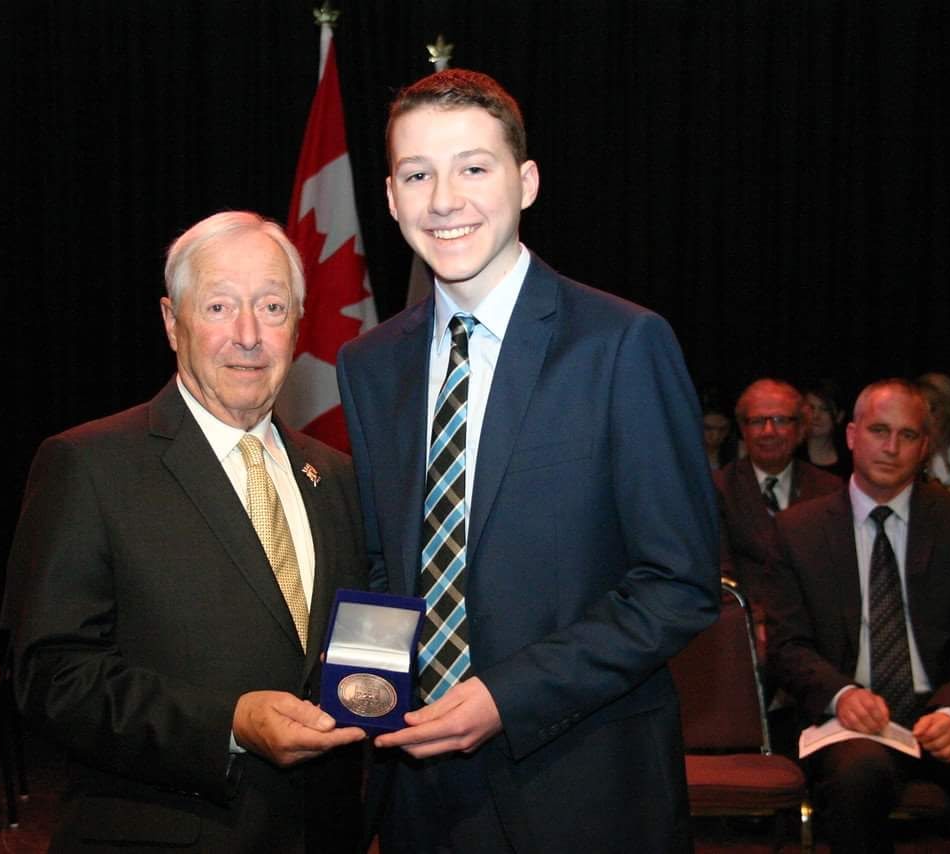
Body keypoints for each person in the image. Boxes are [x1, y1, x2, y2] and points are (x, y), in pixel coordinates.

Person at [335, 69, 720, 853]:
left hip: (581, 787)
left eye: (473, 167)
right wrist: (366, 700)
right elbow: (383, 567)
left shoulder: (620, 343)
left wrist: (505, 698)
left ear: (527, 181)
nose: (444, 199)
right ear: (389, 196)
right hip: (416, 793)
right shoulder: (369, 364)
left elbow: (677, 585)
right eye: (418, 174)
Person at [6, 212, 368, 852]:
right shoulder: (89, 464)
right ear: (173, 323)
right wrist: (228, 723)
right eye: (221, 306)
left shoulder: (336, 475)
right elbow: (52, 678)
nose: (249, 335)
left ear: (298, 324)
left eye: (273, 306)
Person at [764, 379, 950, 854]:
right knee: (856, 778)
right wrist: (841, 693)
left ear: (925, 447)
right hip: (853, 712)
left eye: (907, 436)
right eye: (879, 431)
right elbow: (788, 645)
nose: (891, 448)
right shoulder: (798, 529)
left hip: (947, 702)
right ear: (851, 436)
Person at [714, 378, 842, 590]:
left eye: (780, 420)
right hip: (745, 616)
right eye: (757, 421)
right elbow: (719, 573)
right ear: (743, 430)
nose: (768, 431)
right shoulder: (719, 488)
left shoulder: (829, 490)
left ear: (801, 428)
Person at [799, 379, 852, 480]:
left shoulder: (849, 462)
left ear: (839, 416)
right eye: (811, 408)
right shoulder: (790, 455)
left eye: (824, 409)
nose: (816, 416)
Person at [700, 386, 739, 471]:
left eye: (723, 429)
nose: (716, 436)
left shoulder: (741, 451)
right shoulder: (681, 450)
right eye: (708, 428)